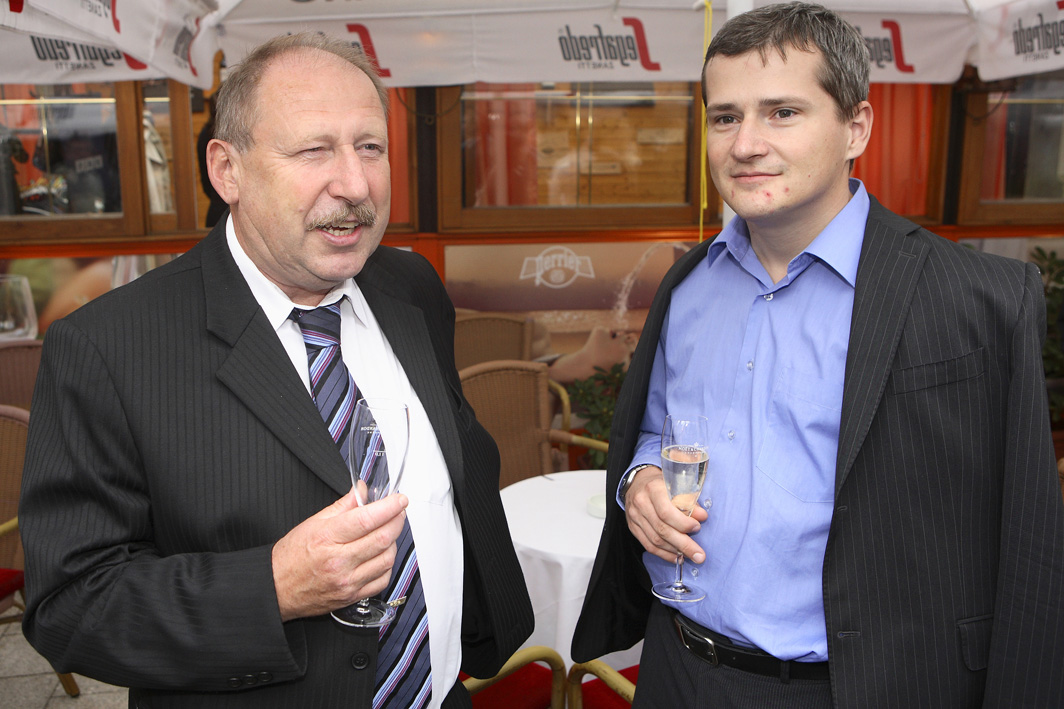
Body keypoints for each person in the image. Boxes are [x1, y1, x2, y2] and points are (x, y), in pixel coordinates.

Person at [20, 32, 532, 708]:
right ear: (226, 170)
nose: (355, 185)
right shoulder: (109, 347)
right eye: (313, 150)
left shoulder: (411, 288)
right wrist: (272, 587)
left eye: (369, 147)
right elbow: (69, 607)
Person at [572, 3, 1064, 707]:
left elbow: (1030, 540)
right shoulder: (687, 285)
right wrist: (642, 478)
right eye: (725, 117)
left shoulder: (979, 298)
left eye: (782, 113)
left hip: (864, 687)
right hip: (677, 668)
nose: (746, 144)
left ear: (856, 127)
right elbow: (655, 431)